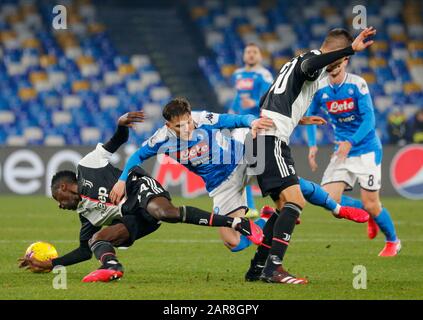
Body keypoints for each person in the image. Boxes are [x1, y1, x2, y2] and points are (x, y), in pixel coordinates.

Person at [19, 111, 263, 282]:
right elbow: (84, 251)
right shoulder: (85, 214)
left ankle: (235, 222)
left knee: (165, 212)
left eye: (58, 200)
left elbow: (116, 142)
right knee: (96, 238)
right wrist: (52, 264)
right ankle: (112, 267)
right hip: (135, 218)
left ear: (63, 188)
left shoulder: (87, 166)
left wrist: (121, 126)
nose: (60, 207)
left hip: (139, 188)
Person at [110, 98, 368, 256]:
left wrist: (251, 122)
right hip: (220, 185)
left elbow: (234, 119)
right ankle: (268, 219)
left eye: (188, 122)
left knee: (292, 185)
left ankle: (336, 208)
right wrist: (122, 179)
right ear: (168, 126)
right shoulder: (161, 139)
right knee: (233, 243)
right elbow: (136, 158)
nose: (187, 128)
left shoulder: (202, 118)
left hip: (243, 161)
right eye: (179, 126)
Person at [245, 27, 378, 285]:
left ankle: (258, 267)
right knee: (296, 202)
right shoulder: (313, 61)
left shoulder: (291, 63)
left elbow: (267, 96)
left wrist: (298, 117)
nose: (336, 66)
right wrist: (350, 50)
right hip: (271, 141)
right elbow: (313, 63)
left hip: (262, 140)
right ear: (334, 53)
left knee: (283, 207)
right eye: (338, 60)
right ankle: (274, 269)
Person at [306, 28, 400, 257]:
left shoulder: (358, 85)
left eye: (336, 61)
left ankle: (393, 241)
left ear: (346, 60)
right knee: (329, 200)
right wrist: (312, 145)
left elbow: (370, 120)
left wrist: (351, 141)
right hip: (342, 150)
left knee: (372, 202)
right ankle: (368, 214)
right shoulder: (321, 88)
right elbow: (309, 115)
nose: (331, 66)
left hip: (366, 148)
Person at [229, 43, 274, 216]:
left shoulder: (264, 75)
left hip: (258, 124)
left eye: (255, 52)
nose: (251, 55)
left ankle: (276, 203)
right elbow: (237, 98)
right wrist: (230, 115)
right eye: (248, 52)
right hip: (241, 125)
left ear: (260, 56)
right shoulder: (237, 74)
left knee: (257, 168)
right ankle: (249, 206)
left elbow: (269, 98)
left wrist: (254, 103)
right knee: (240, 164)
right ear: (243, 55)